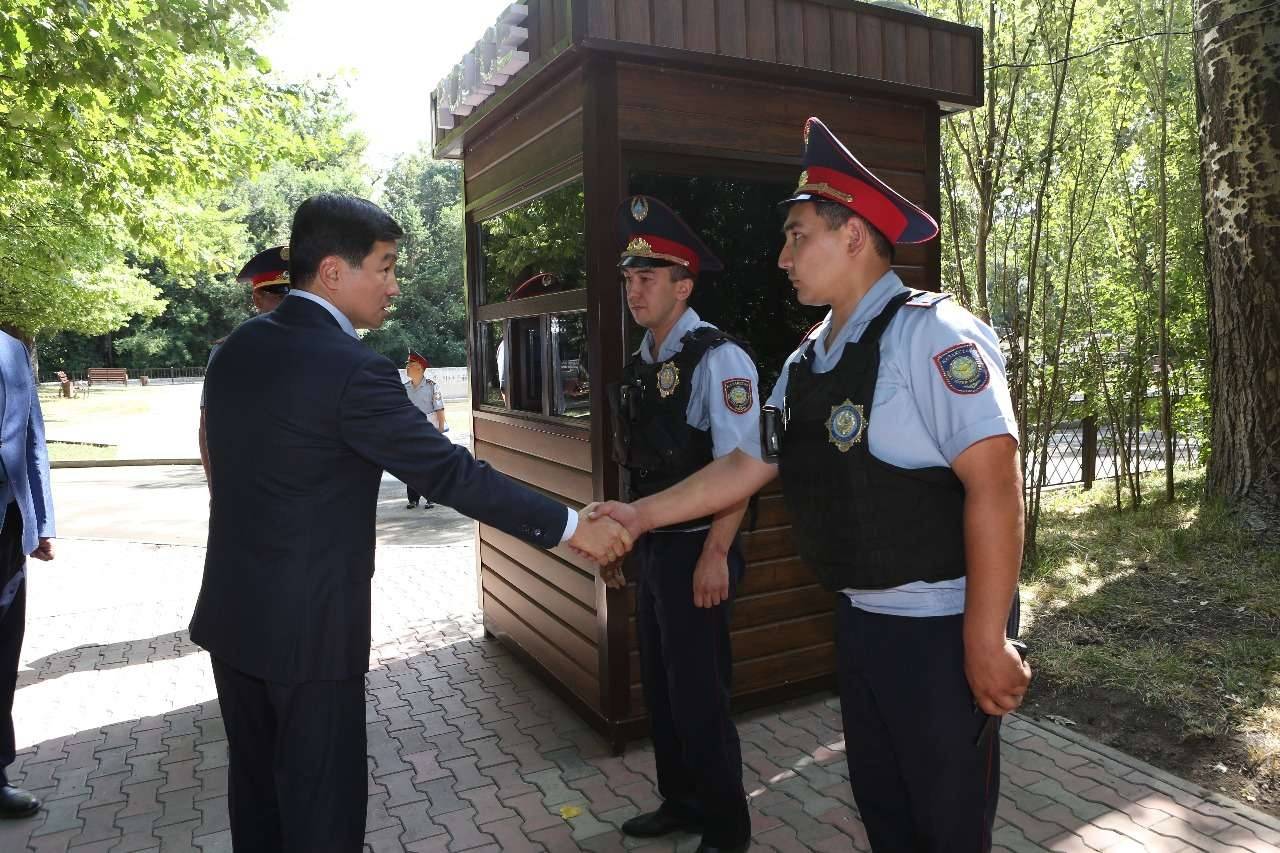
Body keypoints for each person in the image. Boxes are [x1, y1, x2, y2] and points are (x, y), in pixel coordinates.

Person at [594, 118, 1030, 852]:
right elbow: (746, 464)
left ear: (853, 235)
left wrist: (985, 636)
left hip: (940, 631)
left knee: (949, 826)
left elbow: (996, 483)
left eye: (798, 236)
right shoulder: (809, 361)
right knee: (886, 815)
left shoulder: (931, 334)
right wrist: (638, 514)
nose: (782, 257)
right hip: (862, 624)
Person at [190, 193, 631, 853]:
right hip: (311, 636)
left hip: (234, 621)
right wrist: (572, 525)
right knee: (322, 814)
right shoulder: (352, 369)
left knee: (258, 802)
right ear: (334, 272)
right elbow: (451, 474)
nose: (397, 286)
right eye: (387, 267)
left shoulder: (236, 350)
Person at [606, 196, 758, 853]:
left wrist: (718, 551)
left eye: (649, 277)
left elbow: (742, 466)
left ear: (683, 285)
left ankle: (727, 828)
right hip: (656, 547)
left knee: (701, 696)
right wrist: (624, 537)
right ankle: (683, 800)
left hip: (701, 549)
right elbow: (641, 467)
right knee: (666, 690)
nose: (634, 289)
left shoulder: (718, 358)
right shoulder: (642, 362)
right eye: (629, 278)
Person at [0, 331, 55, 820]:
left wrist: (40, 524)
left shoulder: (10, 349)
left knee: (1, 659)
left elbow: (32, 440)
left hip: (6, 533)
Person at [198, 246, 291, 485]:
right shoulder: (229, 350)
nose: (288, 305)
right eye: (280, 297)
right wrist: (216, 491)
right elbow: (209, 426)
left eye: (295, 297)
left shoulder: (325, 347)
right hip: (251, 481)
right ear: (257, 298)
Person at [403, 351, 446, 509]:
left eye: (411, 365)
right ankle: (413, 498)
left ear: (420, 368)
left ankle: (431, 497)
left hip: (429, 429)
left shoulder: (432, 387)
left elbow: (439, 409)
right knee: (411, 465)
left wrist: (441, 430)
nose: (407, 368)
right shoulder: (404, 388)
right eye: (407, 365)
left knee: (430, 464)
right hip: (409, 431)